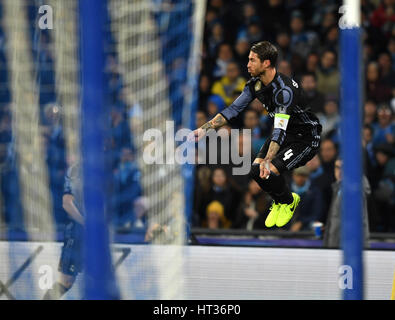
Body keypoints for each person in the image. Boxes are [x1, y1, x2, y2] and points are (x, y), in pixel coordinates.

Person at [191, 41, 322, 228]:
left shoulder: (284, 91)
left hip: (305, 138)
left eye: (252, 60)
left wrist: (268, 159)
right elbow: (233, 109)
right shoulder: (255, 85)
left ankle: (288, 202)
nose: (247, 64)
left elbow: (279, 129)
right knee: (255, 171)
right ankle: (282, 200)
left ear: (266, 63)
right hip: (283, 133)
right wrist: (203, 129)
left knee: (268, 170)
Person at [43, 163, 84, 299]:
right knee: (66, 281)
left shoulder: (103, 170)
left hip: (95, 237)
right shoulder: (76, 170)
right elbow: (67, 203)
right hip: (77, 234)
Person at [323, 158, 370, 248]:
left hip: (346, 249)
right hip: (336, 248)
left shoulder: (354, 191)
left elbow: (354, 225)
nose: (340, 171)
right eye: (337, 167)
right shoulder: (339, 188)